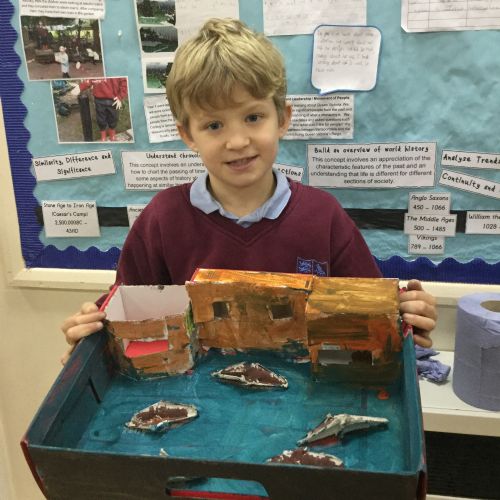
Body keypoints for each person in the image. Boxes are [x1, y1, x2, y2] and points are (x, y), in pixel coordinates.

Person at [61, 18, 437, 364]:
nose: (238, 141)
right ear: (187, 134)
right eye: (214, 125)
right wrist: (91, 334)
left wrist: (407, 317)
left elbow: (371, 316)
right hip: (196, 403)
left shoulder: (323, 217)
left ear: (282, 119)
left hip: (304, 398)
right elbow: (129, 318)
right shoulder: (162, 219)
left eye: (253, 117)